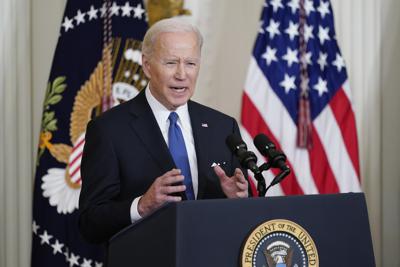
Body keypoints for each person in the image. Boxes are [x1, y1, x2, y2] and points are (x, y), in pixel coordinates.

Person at [79, 18, 249, 244]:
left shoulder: (223, 127)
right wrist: (141, 206)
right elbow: (89, 223)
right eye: (171, 63)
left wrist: (237, 200)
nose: (182, 74)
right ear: (147, 66)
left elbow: (241, 219)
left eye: (191, 63)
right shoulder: (109, 130)